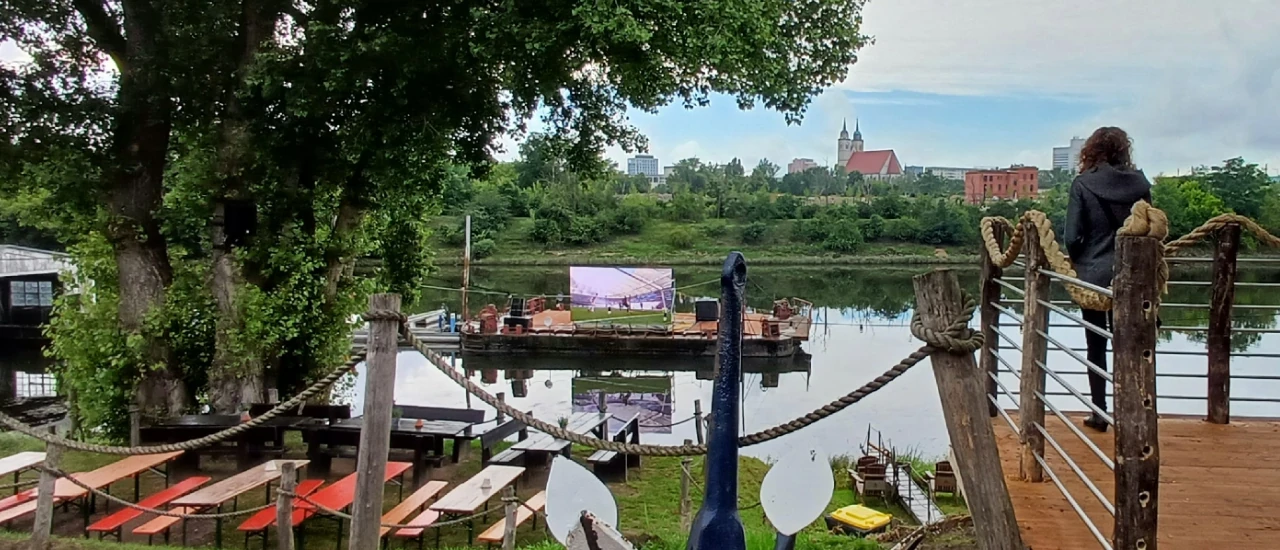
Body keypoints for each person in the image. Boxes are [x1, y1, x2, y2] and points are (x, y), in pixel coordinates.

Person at [1064, 127, 1152, 433]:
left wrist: (1080, 258)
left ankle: (1099, 412)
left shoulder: (1082, 184)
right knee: (1131, 344)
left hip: (1095, 276)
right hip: (1135, 275)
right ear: (1123, 150)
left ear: (1091, 151)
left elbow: (1072, 237)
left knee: (1096, 344)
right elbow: (1147, 229)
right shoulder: (1140, 183)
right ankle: (1133, 412)